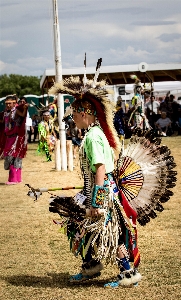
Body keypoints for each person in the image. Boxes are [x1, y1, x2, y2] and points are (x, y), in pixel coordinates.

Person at [48, 75, 142, 288]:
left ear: (83, 114)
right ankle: (91, 264)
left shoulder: (92, 137)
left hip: (103, 192)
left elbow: (100, 168)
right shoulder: (97, 133)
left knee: (110, 231)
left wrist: (97, 203)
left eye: (74, 116)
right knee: (79, 223)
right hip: (99, 188)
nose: (72, 120)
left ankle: (128, 273)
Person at [0, 94, 28, 184]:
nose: (8, 105)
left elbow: (23, 115)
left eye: (10, 103)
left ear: (14, 103)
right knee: (15, 158)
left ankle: (13, 179)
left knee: (12, 157)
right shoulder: (5, 112)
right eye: (6, 103)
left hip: (15, 138)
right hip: (8, 137)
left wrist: (25, 108)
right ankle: (18, 178)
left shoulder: (16, 111)